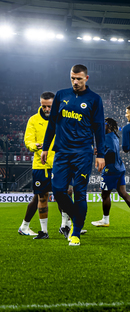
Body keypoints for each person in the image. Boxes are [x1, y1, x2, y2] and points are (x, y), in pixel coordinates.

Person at [41, 64, 106, 246]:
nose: (75, 82)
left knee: (79, 192)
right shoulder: (62, 95)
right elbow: (52, 123)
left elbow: (99, 128)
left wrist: (100, 154)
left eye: (79, 78)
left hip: (83, 153)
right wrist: (46, 147)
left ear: (86, 78)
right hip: (61, 151)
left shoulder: (94, 99)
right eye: (72, 78)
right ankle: (79, 217)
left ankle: (75, 232)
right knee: (58, 190)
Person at [20, 92, 63, 239]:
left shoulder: (61, 118)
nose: (46, 109)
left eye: (49, 106)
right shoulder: (33, 120)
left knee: (65, 194)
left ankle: (66, 226)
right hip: (41, 164)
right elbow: (28, 140)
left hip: (59, 163)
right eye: (43, 106)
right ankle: (43, 231)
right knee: (41, 197)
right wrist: (34, 146)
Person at [91, 118, 130, 228]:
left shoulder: (107, 137)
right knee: (123, 193)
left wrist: (102, 158)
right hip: (120, 168)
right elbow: (110, 150)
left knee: (105, 195)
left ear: (108, 126)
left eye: (102, 125)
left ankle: (105, 220)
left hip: (110, 169)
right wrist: (99, 152)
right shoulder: (114, 136)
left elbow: (111, 152)